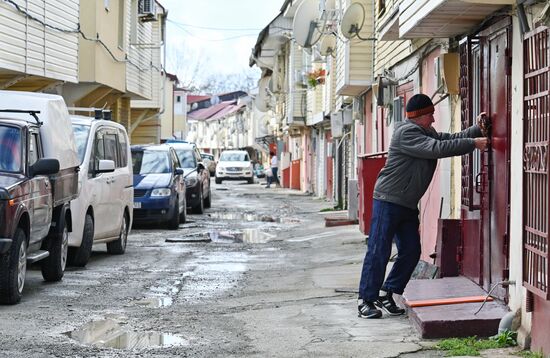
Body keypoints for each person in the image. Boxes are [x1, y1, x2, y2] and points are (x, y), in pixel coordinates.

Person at [357, 93, 489, 319]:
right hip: (388, 200)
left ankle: (388, 292)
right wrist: (473, 144)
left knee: (411, 251)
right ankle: (365, 300)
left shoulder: (425, 131)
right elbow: (437, 149)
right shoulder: (406, 133)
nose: (434, 120)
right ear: (419, 116)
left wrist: (476, 130)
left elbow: (447, 139)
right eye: (431, 115)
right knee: (379, 249)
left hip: (407, 204)